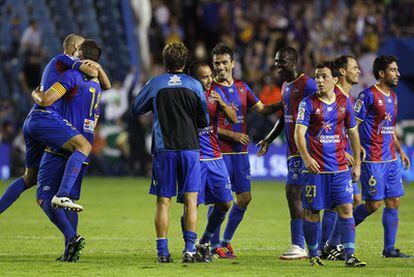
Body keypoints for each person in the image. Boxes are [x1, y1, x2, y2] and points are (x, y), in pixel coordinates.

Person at [0, 34, 110, 214]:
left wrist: (97, 66)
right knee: (83, 146)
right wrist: (94, 66)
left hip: (37, 118)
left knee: (30, 177)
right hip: (46, 116)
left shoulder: (66, 69)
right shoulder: (64, 59)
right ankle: (63, 194)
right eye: (81, 46)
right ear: (75, 48)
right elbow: (93, 75)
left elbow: (106, 83)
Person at [131, 42, 209, 263]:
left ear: (165, 62)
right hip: (190, 149)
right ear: (184, 62)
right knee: (191, 201)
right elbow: (204, 119)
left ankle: (163, 252)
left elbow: (136, 108)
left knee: (163, 201)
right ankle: (189, 250)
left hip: (164, 149)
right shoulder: (195, 85)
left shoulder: (155, 83)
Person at [32, 39, 104, 262]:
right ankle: (70, 251)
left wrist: (36, 94)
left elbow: (46, 100)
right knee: (71, 201)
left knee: (44, 197)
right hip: (83, 146)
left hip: (63, 143)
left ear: (80, 54)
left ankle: (72, 238)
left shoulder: (72, 77)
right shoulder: (97, 83)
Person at [209, 43, 282, 258]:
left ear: (233, 63)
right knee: (220, 200)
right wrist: (232, 135)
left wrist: (285, 102)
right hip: (218, 152)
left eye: (224, 63)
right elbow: (206, 125)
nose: (220, 67)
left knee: (245, 197)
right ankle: (213, 246)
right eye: (216, 64)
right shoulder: (210, 90)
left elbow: (262, 109)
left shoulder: (242, 87)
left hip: (239, 153)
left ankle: (225, 241)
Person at [294, 61, 366, 267]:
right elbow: (299, 134)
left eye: (324, 76)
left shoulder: (345, 103)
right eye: (317, 76)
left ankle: (350, 255)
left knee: (346, 209)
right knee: (312, 212)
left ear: (335, 79)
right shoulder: (307, 103)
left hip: (340, 170)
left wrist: (357, 164)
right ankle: (314, 254)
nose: (319, 80)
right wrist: (307, 158)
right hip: (316, 170)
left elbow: (353, 133)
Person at [257, 46, 317, 260]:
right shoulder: (285, 86)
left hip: (308, 150)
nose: (276, 66)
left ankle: (300, 245)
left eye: (280, 62)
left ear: (293, 62)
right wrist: (268, 139)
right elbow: (285, 117)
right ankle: (311, 245)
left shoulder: (309, 85)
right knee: (298, 195)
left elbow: (321, 112)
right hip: (293, 151)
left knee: (297, 194)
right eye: (275, 61)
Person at [352, 56, 411, 258]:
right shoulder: (366, 96)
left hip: (390, 159)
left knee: (393, 202)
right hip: (373, 159)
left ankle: (389, 249)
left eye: (397, 69)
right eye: (393, 70)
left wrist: (400, 150)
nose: (398, 74)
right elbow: (353, 126)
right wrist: (356, 150)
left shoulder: (393, 97)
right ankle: (336, 236)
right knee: (373, 204)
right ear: (381, 73)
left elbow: (389, 128)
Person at [188, 60, 236, 261]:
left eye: (209, 75)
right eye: (204, 76)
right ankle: (189, 247)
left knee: (225, 202)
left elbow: (234, 119)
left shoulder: (216, 95)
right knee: (192, 205)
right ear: (194, 79)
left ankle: (204, 241)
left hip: (215, 157)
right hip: (196, 158)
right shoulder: (188, 98)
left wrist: (223, 104)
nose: (209, 80)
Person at [320, 55, 363, 260]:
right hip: (330, 158)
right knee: (341, 202)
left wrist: (356, 149)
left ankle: (330, 245)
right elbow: (321, 129)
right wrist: (342, 150)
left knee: (349, 200)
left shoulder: (348, 98)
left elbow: (348, 129)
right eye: (354, 67)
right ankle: (327, 245)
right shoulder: (331, 94)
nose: (359, 71)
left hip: (342, 156)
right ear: (343, 72)